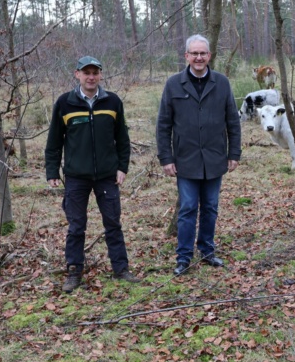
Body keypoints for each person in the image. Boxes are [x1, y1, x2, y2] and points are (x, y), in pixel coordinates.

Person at [45, 55, 139, 294]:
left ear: (100, 75)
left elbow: (123, 139)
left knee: (113, 224)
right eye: (86, 72)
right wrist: (52, 170)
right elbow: (54, 140)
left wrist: (122, 167)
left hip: (107, 175)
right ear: (77, 74)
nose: (91, 77)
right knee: (76, 226)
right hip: (76, 176)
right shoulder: (65, 103)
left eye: (95, 72)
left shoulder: (112, 102)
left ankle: (121, 269)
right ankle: (74, 271)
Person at [156, 34, 241, 275]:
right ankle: (183, 257)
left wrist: (234, 152)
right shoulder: (174, 84)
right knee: (188, 208)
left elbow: (232, 121)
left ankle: (207, 250)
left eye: (203, 53)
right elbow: (163, 124)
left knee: (211, 207)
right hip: (185, 159)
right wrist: (166, 158)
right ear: (186, 56)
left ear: (209, 56)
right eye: (194, 53)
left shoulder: (222, 83)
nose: (199, 57)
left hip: (215, 158)